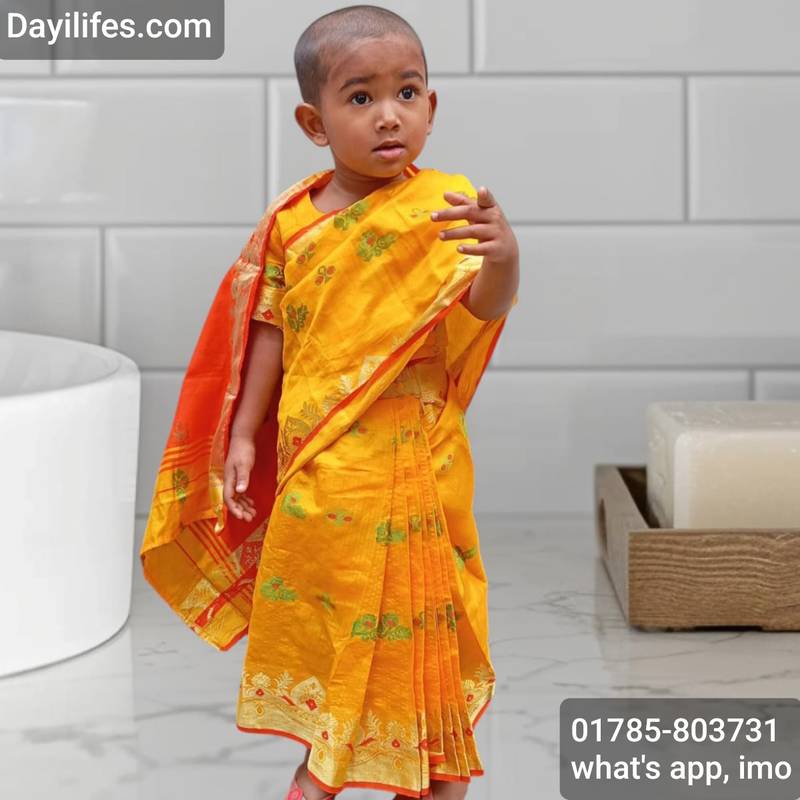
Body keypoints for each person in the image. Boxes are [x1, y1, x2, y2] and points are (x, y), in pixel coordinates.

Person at [139, 5, 519, 799]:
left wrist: (505, 257)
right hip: (325, 467)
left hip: (420, 458)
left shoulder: (445, 206)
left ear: (431, 106)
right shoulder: (291, 224)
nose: (389, 115)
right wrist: (244, 434)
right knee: (345, 622)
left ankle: (435, 771)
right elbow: (268, 333)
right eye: (360, 97)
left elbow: (483, 308)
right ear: (314, 123)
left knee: (430, 612)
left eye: (407, 93)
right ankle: (326, 766)